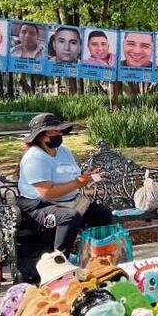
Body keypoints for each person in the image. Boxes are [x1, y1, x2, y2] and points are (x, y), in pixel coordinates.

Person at [16, 113, 113, 275]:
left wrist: (87, 176)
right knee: (69, 217)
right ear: (42, 136)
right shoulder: (35, 158)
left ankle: (97, 259)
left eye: (60, 131)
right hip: (38, 207)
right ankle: (60, 266)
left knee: (102, 213)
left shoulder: (63, 151)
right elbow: (47, 192)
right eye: (54, 131)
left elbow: (72, 176)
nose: (60, 134)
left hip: (70, 200)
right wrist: (77, 183)